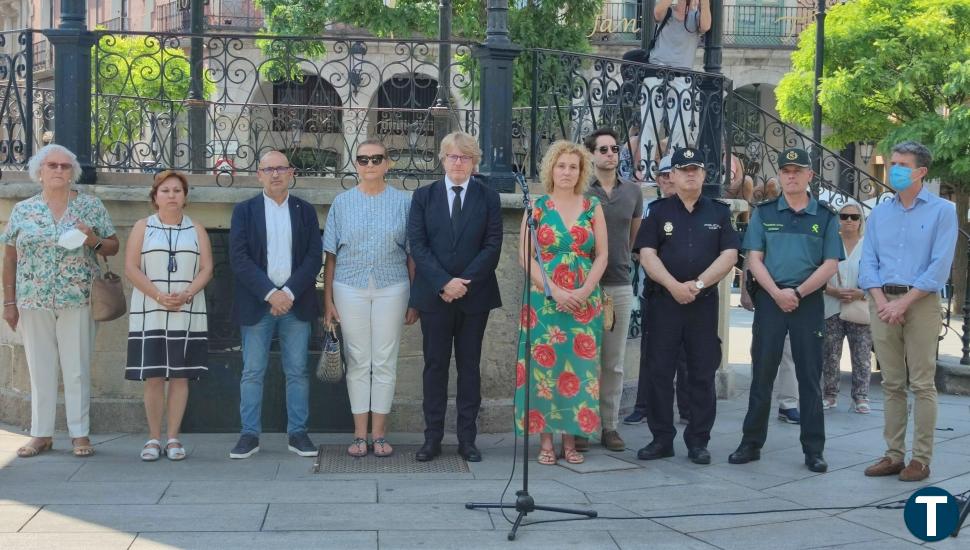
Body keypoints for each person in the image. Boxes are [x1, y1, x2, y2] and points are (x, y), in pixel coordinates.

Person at [2, 144, 120, 458]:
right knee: (39, 368)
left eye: (65, 167)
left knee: (77, 367)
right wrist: (9, 302)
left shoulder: (90, 206)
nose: (58, 171)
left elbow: (112, 246)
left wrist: (92, 239)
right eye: (52, 165)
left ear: (73, 174)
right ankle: (40, 434)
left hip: (78, 296)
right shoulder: (23, 210)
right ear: (39, 172)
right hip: (33, 299)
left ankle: (79, 434)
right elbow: (10, 257)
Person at [729, 147, 842, 473]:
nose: (791, 175)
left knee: (809, 377)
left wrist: (797, 292)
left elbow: (830, 263)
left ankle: (813, 449)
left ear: (810, 175)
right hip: (771, 301)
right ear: (779, 175)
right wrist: (778, 293)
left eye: (797, 170)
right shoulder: (765, 213)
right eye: (785, 170)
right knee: (762, 374)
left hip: (807, 303)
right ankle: (750, 443)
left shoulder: (825, 216)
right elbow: (754, 260)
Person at [859, 141, 957, 482]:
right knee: (891, 383)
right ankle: (893, 455)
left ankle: (921, 459)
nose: (894, 169)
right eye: (892, 163)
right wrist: (883, 301)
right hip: (881, 303)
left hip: (921, 303)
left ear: (921, 171)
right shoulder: (880, 211)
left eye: (902, 164)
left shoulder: (943, 210)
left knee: (922, 383)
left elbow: (939, 266)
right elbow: (868, 260)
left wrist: (904, 302)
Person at [634, 147, 739, 465]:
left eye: (696, 168)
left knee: (702, 373)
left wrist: (697, 285)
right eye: (683, 169)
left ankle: (698, 441)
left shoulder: (719, 213)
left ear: (704, 175)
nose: (690, 174)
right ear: (673, 176)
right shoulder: (658, 212)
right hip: (664, 303)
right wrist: (673, 286)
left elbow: (729, 255)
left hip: (702, 304)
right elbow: (647, 254)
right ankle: (661, 439)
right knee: (659, 372)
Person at [408, 131, 503, 463]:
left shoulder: (489, 198)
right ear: (442, 159)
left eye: (465, 157)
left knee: (469, 368)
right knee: (434, 367)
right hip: (435, 296)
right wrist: (444, 283)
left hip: (474, 297)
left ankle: (467, 439)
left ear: (474, 161)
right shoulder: (423, 196)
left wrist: (463, 283)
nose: (459, 162)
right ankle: (432, 438)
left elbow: (492, 246)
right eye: (453, 156)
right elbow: (418, 246)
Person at [323, 140, 419, 458]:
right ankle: (359, 435)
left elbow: (411, 255)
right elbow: (331, 256)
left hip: (393, 286)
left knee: (385, 360)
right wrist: (328, 303)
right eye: (363, 159)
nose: (369, 164)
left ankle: (379, 435)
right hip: (349, 287)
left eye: (376, 158)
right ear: (356, 163)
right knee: (359, 361)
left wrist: (413, 299)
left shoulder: (404, 203)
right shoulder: (342, 202)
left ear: (388, 163)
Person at [514, 140, 608, 466]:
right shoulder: (536, 207)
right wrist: (554, 290)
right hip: (545, 300)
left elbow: (603, 254)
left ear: (581, 172)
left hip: (584, 301)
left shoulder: (592, 206)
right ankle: (545, 440)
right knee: (545, 369)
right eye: (561, 165)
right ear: (551, 169)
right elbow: (525, 256)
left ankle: (570, 440)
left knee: (578, 370)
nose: (566, 172)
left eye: (573, 166)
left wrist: (584, 291)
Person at [228, 150, 322, 459]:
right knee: (252, 371)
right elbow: (239, 259)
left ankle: (298, 433)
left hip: (296, 303)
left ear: (292, 172)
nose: (276, 174)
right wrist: (271, 294)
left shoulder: (305, 211)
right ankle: (249, 435)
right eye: (269, 169)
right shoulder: (244, 211)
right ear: (259, 174)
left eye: (281, 168)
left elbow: (313, 257)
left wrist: (289, 293)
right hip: (259, 304)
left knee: (297, 371)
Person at [125, 170, 213, 461]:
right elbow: (132, 268)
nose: (172, 195)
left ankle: (173, 438)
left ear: (185, 196)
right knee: (153, 376)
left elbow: (207, 269)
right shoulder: (142, 226)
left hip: (186, 311)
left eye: (177, 190)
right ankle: (153, 438)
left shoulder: (196, 228)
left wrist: (186, 294)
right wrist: (159, 296)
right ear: (155, 197)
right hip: (151, 310)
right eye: (165, 191)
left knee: (179, 377)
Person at [573, 128, 643, 453]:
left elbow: (631, 237)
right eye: (603, 149)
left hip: (618, 285)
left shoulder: (632, 192)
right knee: (584, 359)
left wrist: (618, 261)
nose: (610, 154)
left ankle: (610, 426)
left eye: (614, 148)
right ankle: (581, 427)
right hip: (584, 287)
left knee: (613, 361)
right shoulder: (580, 191)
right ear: (591, 154)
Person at [624, 154, 691, 427]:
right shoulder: (651, 208)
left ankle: (686, 408)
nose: (666, 180)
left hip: (687, 291)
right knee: (650, 352)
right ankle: (643, 405)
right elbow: (640, 248)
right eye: (662, 175)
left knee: (687, 354)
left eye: (669, 174)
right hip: (653, 290)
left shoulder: (694, 207)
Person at [640, 0, 712, 172]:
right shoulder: (667, 13)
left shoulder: (695, 18)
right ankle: (647, 172)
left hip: (682, 77)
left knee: (682, 127)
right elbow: (657, 11)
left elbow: (706, 25)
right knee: (650, 124)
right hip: (656, 73)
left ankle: (674, 170)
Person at [821, 202, 873, 414]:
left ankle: (860, 396)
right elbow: (816, 271)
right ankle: (830, 394)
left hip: (859, 306)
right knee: (830, 353)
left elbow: (878, 275)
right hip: (832, 304)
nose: (849, 221)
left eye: (854, 217)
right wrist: (831, 290)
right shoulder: (829, 243)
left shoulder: (869, 246)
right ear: (838, 219)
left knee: (861, 354)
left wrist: (862, 292)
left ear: (861, 221)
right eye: (844, 216)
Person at [740, 266, 802, 424]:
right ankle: (757, 405)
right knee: (762, 354)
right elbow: (751, 256)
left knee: (792, 351)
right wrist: (745, 290)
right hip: (765, 294)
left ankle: (788, 405)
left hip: (797, 293)